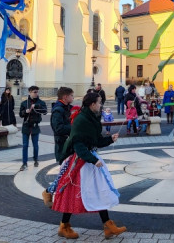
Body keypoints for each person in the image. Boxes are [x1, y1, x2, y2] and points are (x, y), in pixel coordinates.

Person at [52, 92, 126, 239]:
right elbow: (78, 145)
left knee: (99, 190)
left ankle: (107, 225)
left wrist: (110, 139)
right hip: (81, 162)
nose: (100, 105)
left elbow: (96, 141)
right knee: (74, 194)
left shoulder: (91, 118)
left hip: (88, 159)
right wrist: (93, 160)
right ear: (92, 104)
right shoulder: (81, 120)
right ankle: (64, 226)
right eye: (99, 103)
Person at [43, 87, 75, 208]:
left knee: (68, 172)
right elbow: (58, 128)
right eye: (72, 96)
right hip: (63, 145)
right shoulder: (58, 110)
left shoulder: (67, 108)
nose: (73, 98)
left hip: (69, 144)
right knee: (65, 173)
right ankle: (49, 192)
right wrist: (73, 128)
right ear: (65, 97)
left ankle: (56, 195)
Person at [19, 86, 46, 171]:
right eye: (34, 92)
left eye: (37, 92)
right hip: (26, 126)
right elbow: (20, 114)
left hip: (35, 126)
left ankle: (35, 159)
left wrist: (37, 105)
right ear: (30, 92)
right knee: (25, 145)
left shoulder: (41, 102)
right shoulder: (24, 103)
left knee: (35, 145)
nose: (36, 93)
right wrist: (25, 112)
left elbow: (45, 111)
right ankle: (24, 163)